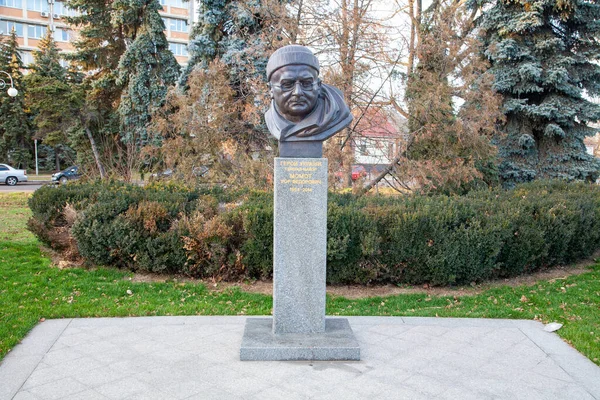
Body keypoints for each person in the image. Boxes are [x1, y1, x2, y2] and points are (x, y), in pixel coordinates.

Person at [265, 45, 352, 157]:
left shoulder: (337, 114)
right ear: (271, 89)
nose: (298, 92)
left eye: (306, 84)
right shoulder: (271, 120)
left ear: (319, 86)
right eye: (287, 84)